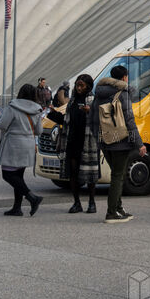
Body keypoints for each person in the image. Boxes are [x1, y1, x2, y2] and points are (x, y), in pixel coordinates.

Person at [90, 65, 147, 224]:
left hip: (105, 140)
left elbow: (92, 118)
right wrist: (139, 144)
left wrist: (99, 139)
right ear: (124, 78)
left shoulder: (99, 93)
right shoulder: (123, 93)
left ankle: (118, 208)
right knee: (118, 176)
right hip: (121, 142)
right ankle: (111, 213)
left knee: (117, 175)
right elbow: (129, 120)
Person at [48, 74, 100, 213]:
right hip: (72, 141)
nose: (78, 88)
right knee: (73, 173)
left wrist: (91, 111)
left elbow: (101, 120)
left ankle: (92, 203)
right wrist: (53, 113)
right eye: (77, 85)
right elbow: (66, 121)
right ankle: (77, 203)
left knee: (90, 175)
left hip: (88, 142)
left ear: (88, 86)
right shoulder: (72, 101)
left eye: (81, 85)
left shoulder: (94, 101)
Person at [0, 84, 44, 216]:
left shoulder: (12, 107)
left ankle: (32, 198)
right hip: (28, 145)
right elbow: (39, 131)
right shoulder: (37, 109)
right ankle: (17, 208)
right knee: (18, 176)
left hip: (14, 145)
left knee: (7, 175)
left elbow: (2, 125)